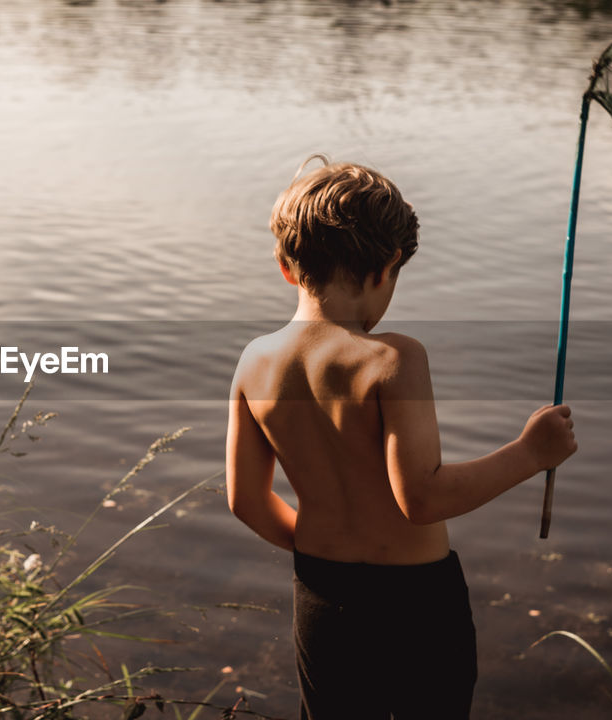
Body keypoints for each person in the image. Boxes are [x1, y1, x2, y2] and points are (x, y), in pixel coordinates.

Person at [225, 157, 578, 719]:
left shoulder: (255, 362)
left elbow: (245, 500)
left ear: (287, 268)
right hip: (416, 603)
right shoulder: (393, 359)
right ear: (385, 268)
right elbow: (423, 499)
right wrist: (530, 453)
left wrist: (321, 544)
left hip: (319, 592)